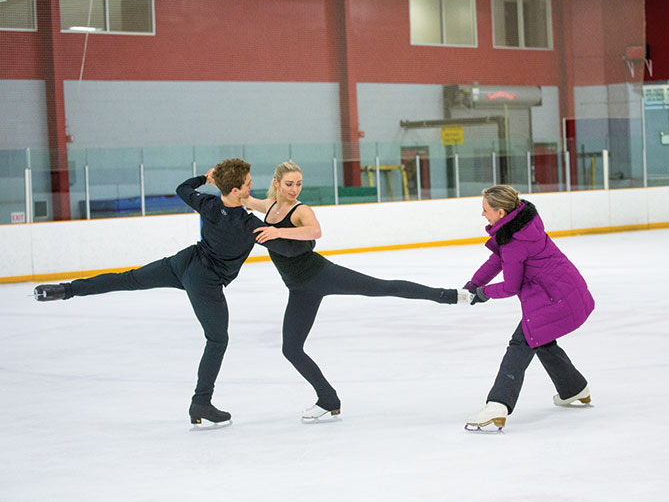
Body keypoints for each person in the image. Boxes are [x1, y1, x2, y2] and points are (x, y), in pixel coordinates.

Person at [33, 158, 269, 429]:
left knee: (128, 278)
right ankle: (201, 401)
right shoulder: (250, 224)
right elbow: (286, 245)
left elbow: (183, 189)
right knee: (217, 340)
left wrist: (205, 179)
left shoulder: (209, 204)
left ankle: (65, 290)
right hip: (206, 281)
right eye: (248, 183)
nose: (252, 185)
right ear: (237, 190)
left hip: (184, 263)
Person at [246, 161, 470, 423]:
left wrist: (277, 231)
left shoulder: (300, 210)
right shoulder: (270, 206)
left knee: (383, 287)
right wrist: (216, 185)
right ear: (276, 183)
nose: (295, 189)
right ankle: (328, 399)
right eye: (289, 184)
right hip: (299, 289)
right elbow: (246, 200)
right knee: (291, 349)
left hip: (322, 275)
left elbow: (315, 230)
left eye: (298, 184)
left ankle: (447, 295)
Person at [463, 185, 594, 432]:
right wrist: (473, 284)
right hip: (564, 290)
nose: (483, 215)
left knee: (522, 342)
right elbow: (498, 260)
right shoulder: (520, 225)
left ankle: (497, 406)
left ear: (501, 212)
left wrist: (483, 293)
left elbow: (511, 286)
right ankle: (574, 388)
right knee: (540, 339)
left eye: (485, 210)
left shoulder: (514, 242)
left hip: (555, 299)